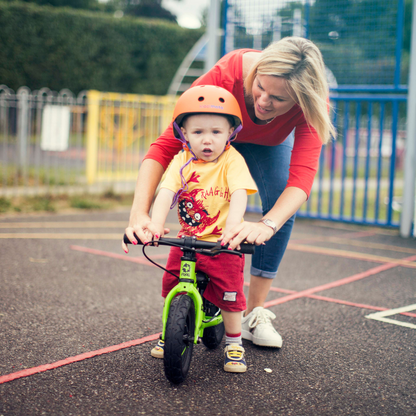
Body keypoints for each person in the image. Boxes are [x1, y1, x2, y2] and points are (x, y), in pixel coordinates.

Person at [123, 36, 335, 348]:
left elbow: (301, 180)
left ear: (301, 99)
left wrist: (267, 225)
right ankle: (201, 285)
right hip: (218, 135)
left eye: (278, 99)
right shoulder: (228, 73)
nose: (263, 101)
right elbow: (164, 147)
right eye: (260, 87)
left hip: (268, 145)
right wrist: (139, 213)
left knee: (279, 205)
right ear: (257, 70)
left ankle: (254, 312)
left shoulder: (313, 103)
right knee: (199, 190)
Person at [140, 85, 257, 373]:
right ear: (183, 134)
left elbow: (240, 191)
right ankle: (169, 332)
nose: (207, 140)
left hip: (221, 243)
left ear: (230, 133)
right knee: (170, 287)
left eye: (216, 132)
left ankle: (234, 343)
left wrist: (234, 226)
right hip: (187, 241)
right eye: (198, 132)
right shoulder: (182, 161)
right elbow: (166, 191)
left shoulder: (232, 160)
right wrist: (155, 224)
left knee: (231, 295)